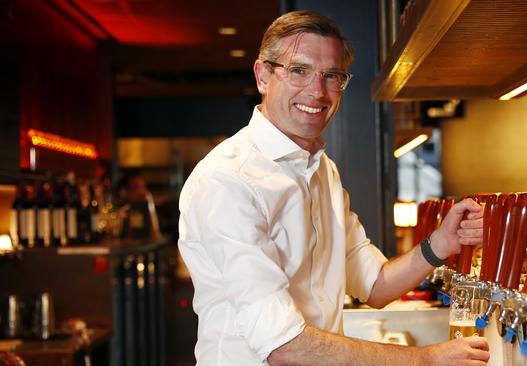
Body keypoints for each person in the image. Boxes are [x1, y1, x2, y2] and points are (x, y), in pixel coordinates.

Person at [178, 10, 489, 366]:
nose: (318, 90)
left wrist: (441, 244)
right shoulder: (228, 180)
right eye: (299, 70)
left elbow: (374, 285)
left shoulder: (322, 170)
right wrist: (424, 359)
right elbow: (282, 345)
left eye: (333, 76)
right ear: (263, 75)